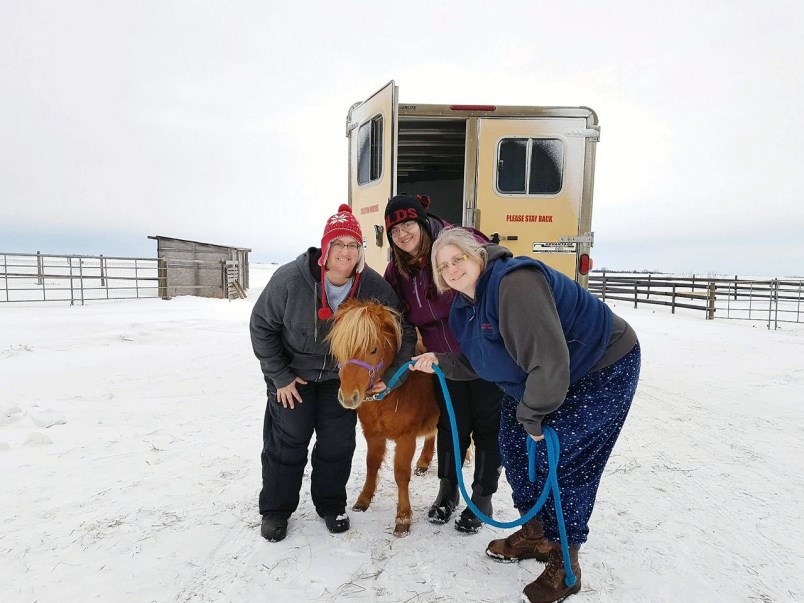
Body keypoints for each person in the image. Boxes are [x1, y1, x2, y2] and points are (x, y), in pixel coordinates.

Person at [409, 227, 640, 603]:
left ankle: (566, 564)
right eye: (444, 265)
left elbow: (549, 363)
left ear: (478, 255)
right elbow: (484, 359)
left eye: (458, 259)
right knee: (512, 444)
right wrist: (442, 361)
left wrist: (533, 418)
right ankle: (537, 535)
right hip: (551, 373)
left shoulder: (514, 285)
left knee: (565, 460)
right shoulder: (464, 307)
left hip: (602, 365)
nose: (452, 269)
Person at [250, 204, 416, 543]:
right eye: (338, 244)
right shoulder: (290, 279)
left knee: (337, 444)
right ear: (325, 249)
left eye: (352, 245)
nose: (345, 251)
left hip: (340, 379)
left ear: (360, 252)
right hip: (293, 377)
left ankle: (330, 505)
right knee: (288, 442)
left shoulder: (372, 286)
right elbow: (261, 326)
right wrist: (279, 375)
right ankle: (277, 510)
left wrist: (395, 372)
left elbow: (404, 330)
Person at [383, 193, 503, 533]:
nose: (403, 233)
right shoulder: (397, 270)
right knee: (451, 425)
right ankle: (448, 490)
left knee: (487, 425)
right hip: (442, 359)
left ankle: (481, 496)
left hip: (483, 353)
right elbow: (397, 315)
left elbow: (494, 269)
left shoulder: (454, 243)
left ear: (422, 221)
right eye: (395, 229)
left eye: (408, 224)